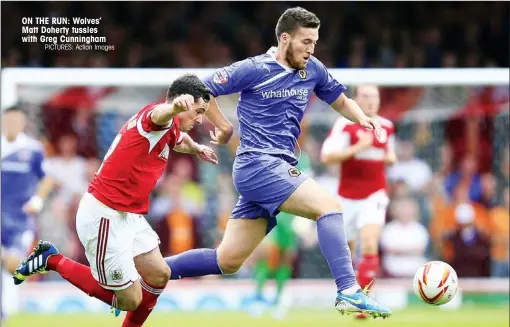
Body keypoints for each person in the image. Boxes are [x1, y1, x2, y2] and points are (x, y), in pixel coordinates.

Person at [164, 7, 392, 318]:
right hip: (258, 163)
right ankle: (349, 290)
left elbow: (339, 99)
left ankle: (153, 271)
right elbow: (202, 88)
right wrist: (223, 125)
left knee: (228, 260)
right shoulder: (255, 68)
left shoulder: (313, 69)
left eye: (315, 43)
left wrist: (362, 117)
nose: (311, 50)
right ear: (285, 38)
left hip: (274, 170)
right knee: (330, 207)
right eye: (306, 42)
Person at [13, 74, 219, 327]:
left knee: (159, 274)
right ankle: (51, 259)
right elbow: (160, 114)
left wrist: (197, 148)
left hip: (129, 216)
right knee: (130, 300)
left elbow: (179, 141)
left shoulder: (171, 129)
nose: (200, 119)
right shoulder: (156, 116)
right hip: (104, 216)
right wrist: (174, 108)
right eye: (198, 111)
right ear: (182, 102)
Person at [320, 85, 396, 319]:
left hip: (375, 194)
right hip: (347, 197)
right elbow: (326, 157)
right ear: (356, 100)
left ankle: (364, 300)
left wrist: (390, 158)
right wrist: (358, 148)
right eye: (366, 97)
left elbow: (390, 155)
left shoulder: (387, 126)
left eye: (375, 97)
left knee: (370, 242)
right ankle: (352, 291)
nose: (371, 101)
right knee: (348, 250)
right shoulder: (345, 125)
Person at [1, 106, 54, 320]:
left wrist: (38, 200)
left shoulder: (32, 149)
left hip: (19, 220)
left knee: (12, 266)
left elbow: (47, 178)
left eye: (17, 120)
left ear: (23, 123)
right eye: (9, 120)